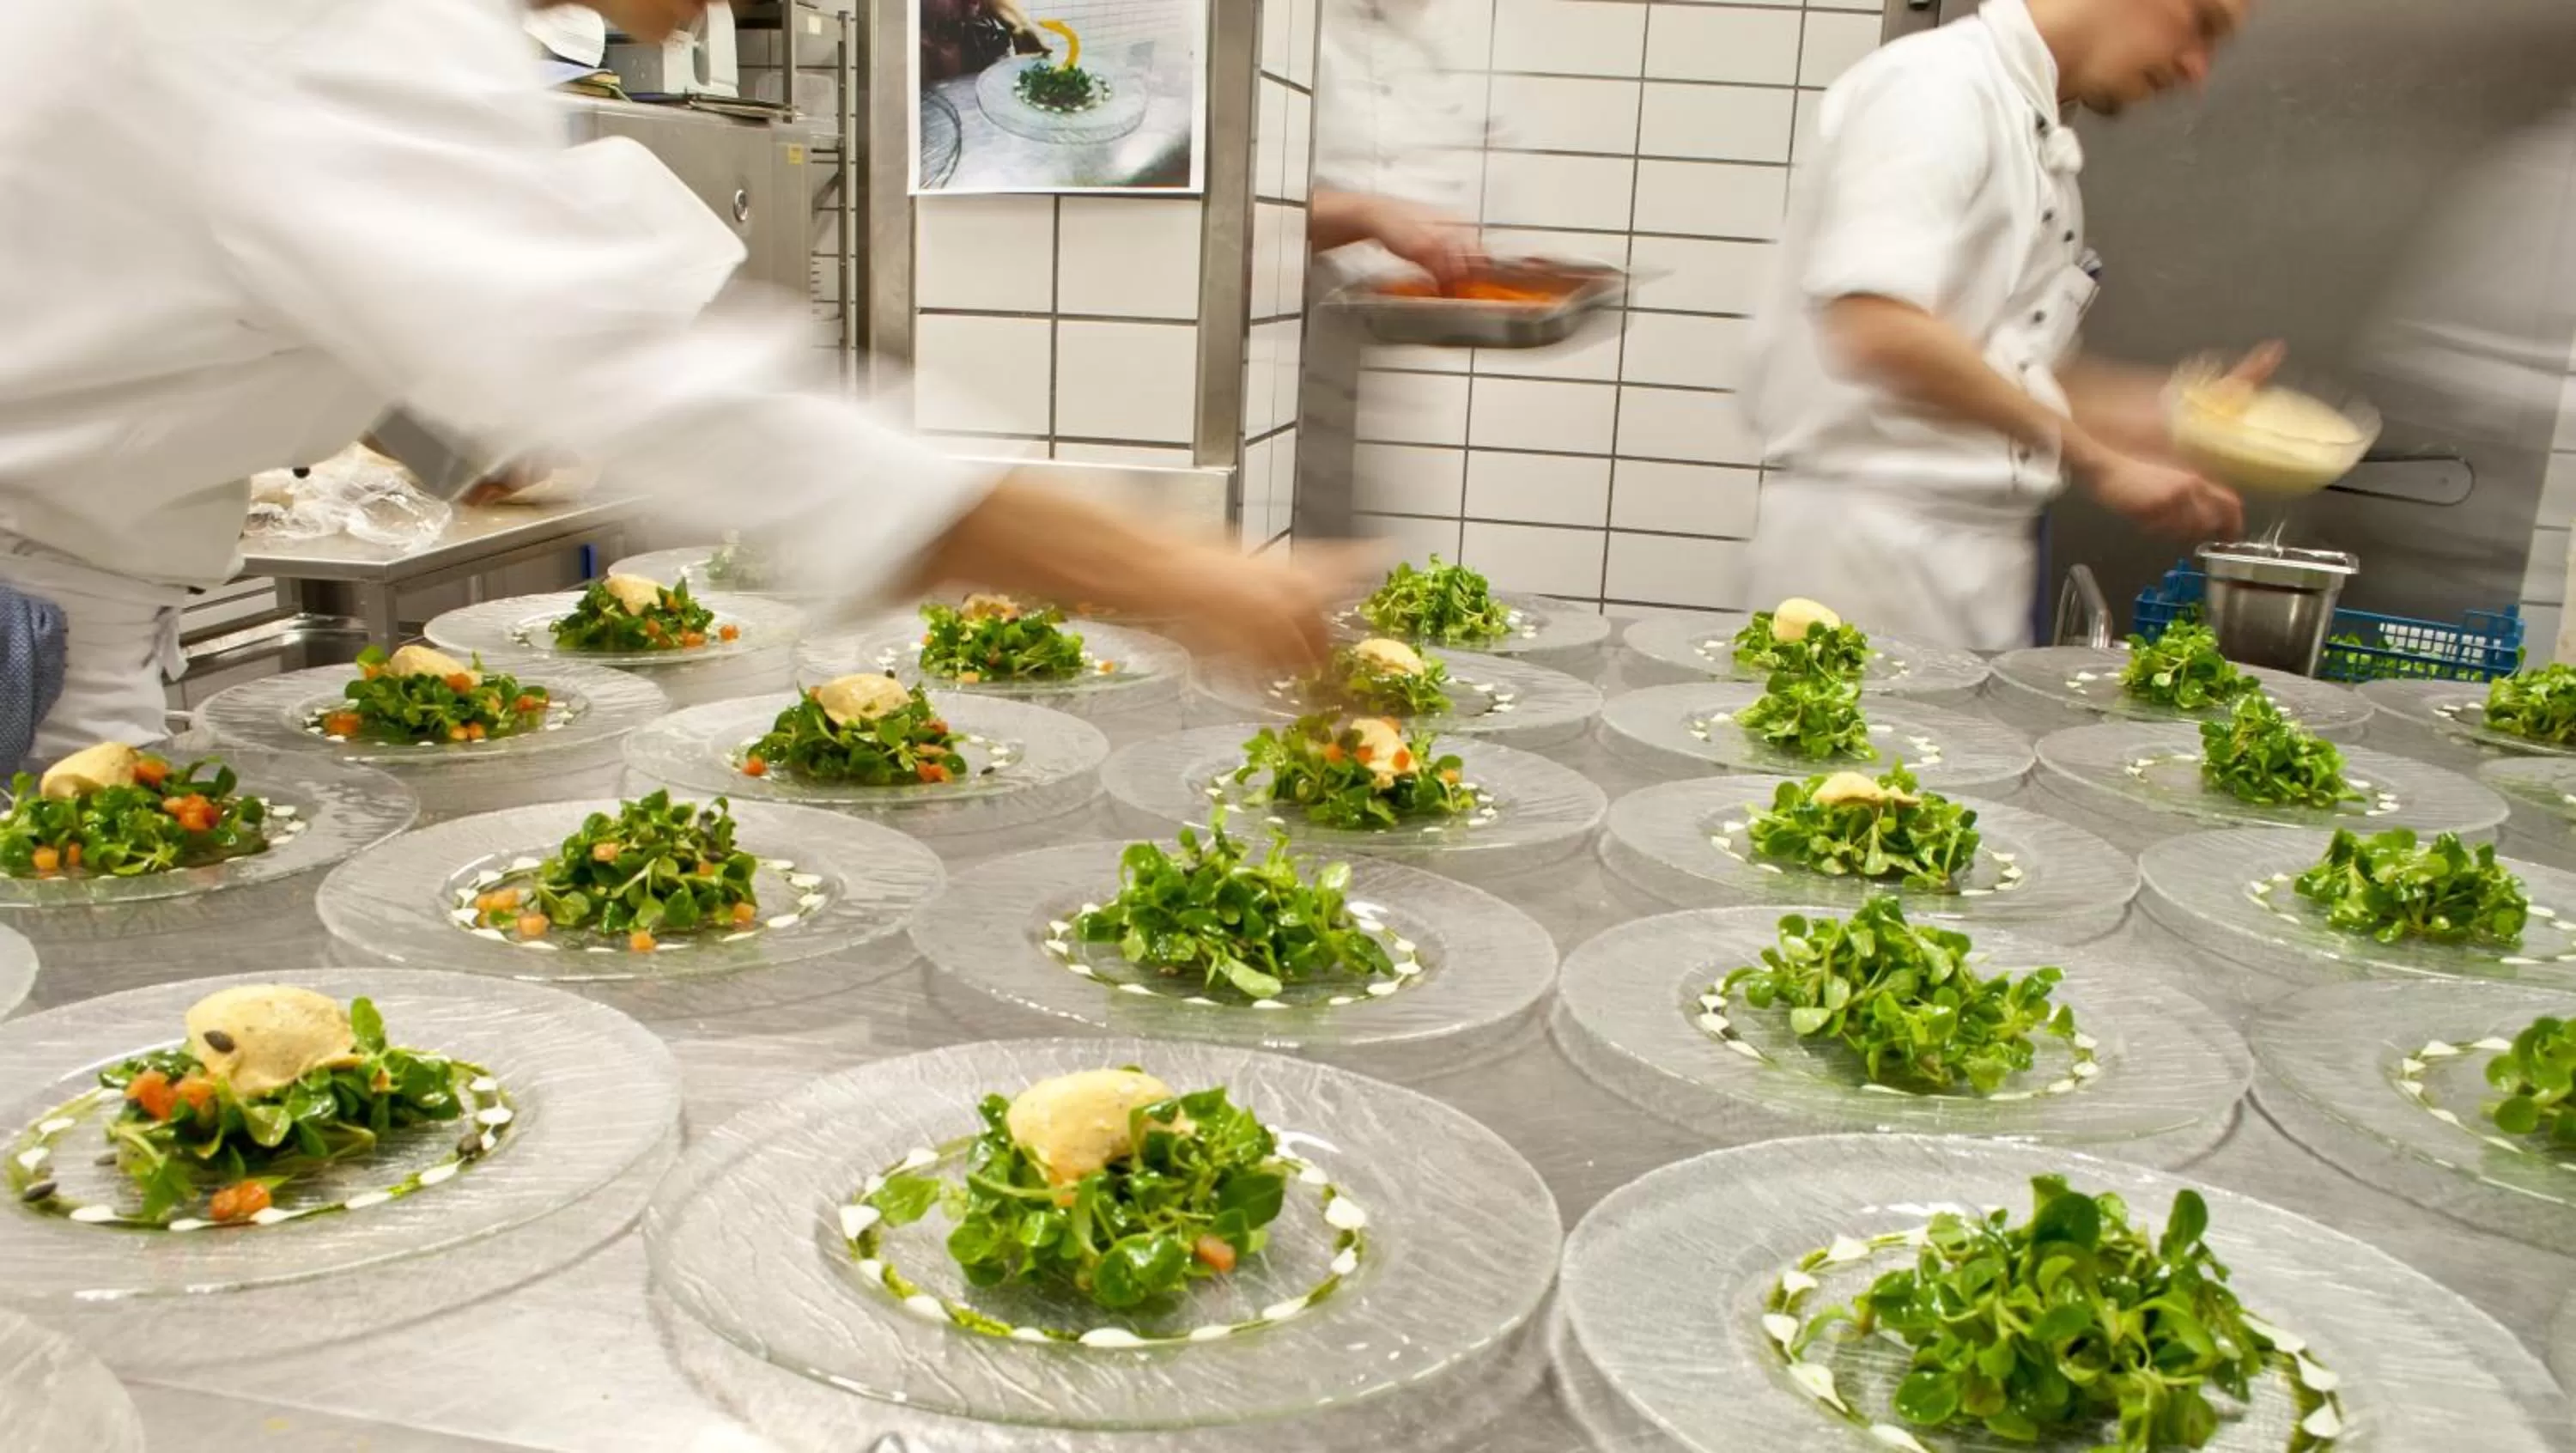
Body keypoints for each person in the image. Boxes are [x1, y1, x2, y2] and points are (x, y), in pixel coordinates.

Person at [0, 0, 1346, 763]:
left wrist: (450, 418)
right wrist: (1179, 576)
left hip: (84, 587)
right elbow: (661, 385)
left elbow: (242, 291)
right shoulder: (336, 29)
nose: (710, 11)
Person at [1744, 0, 2260, 652]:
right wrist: (2100, 463)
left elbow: (1999, 370)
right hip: (1873, 559)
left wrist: (2169, 417)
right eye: (2202, 24)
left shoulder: (2031, 131)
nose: (2197, 70)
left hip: (1961, 562)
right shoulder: (1936, 88)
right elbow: (1879, 328)